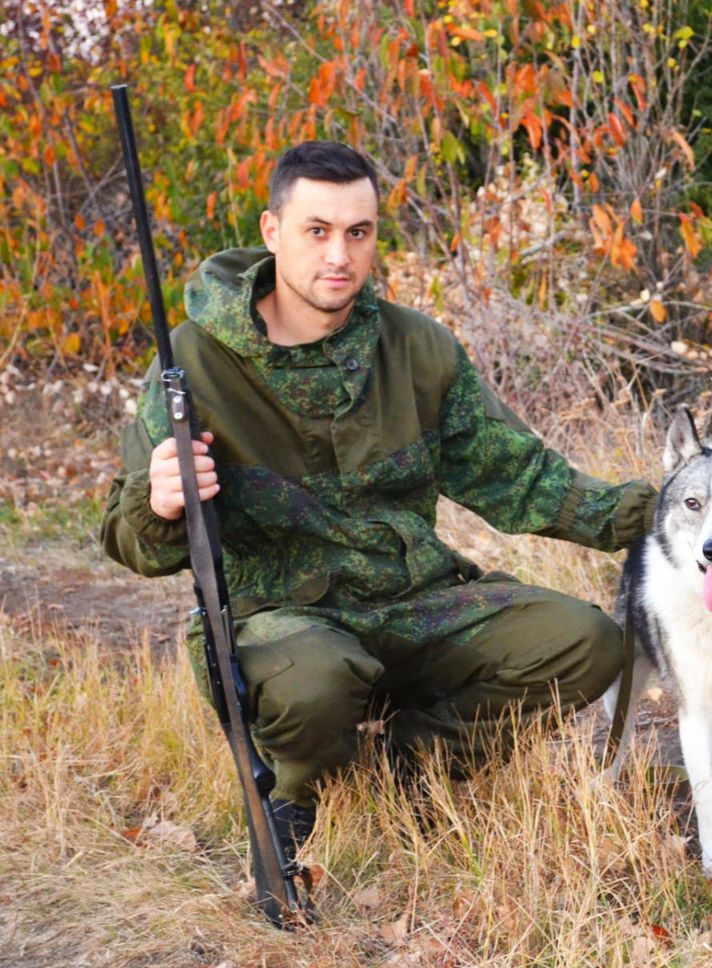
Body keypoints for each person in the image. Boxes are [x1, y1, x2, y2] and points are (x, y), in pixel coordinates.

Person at [100, 141, 655, 862]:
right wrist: (162, 503)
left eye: (358, 233)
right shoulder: (192, 362)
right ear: (272, 232)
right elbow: (127, 538)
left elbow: (520, 478)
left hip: (411, 600)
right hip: (283, 621)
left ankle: (405, 771)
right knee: (316, 679)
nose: (340, 255)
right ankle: (299, 795)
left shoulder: (416, 348)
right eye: (317, 230)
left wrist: (667, 516)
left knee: (587, 641)